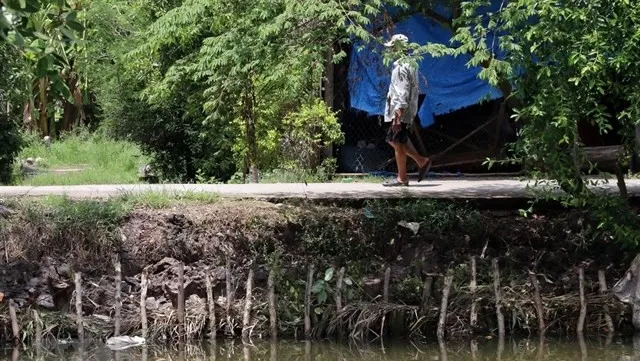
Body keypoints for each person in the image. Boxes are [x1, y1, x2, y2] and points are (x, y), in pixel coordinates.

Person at [382, 34, 431, 187]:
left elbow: (402, 92)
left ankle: (402, 178)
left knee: (397, 142)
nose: (390, 50)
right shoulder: (409, 64)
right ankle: (421, 161)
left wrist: (397, 117)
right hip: (404, 110)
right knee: (395, 141)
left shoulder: (401, 67)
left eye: (392, 47)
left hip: (401, 111)